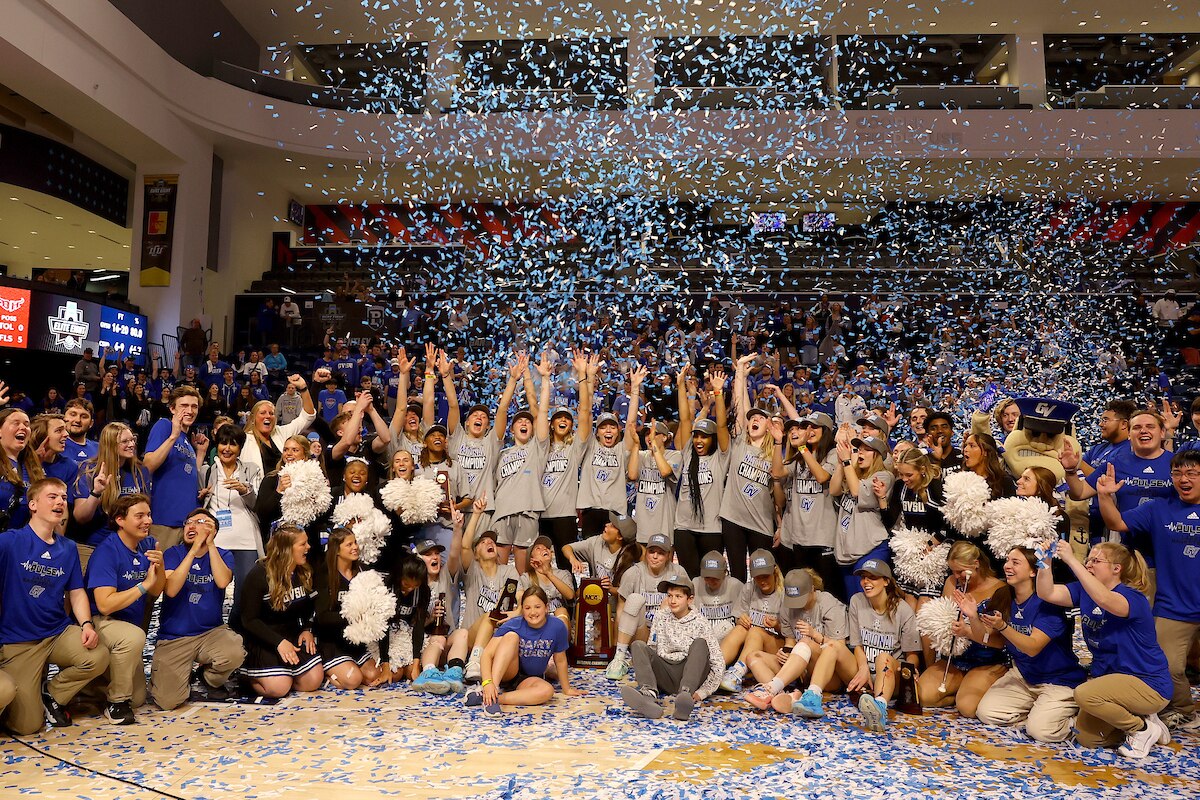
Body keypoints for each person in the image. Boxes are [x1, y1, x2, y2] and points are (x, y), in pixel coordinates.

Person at [1036, 540, 1172, 758]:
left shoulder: (1133, 597)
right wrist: (1046, 562)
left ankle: (1142, 729)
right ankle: (1144, 718)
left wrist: (1071, 559)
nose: (1089, 564)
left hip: (1147, 682)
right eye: (1087, 560)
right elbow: (1047, 593)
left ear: (1116, 568)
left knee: (1084, 694)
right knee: (1088, 738)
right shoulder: (1085, 591)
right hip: (1110, 681)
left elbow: (1105, 599)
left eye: (1096, 561)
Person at [1096, 452, 1200, 731]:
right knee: (1167, 665)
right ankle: (1183, 710)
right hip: (1174, 605)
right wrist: (1105, 497)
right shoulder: (1158, 508)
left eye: (1191, 473)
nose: (1183, 479)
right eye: (1177, 474)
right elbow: (1116, 523)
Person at [0, 478, 109, 734]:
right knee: (27, 726)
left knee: (97, 655)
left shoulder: (68, 548)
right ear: (33, 504)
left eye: (63, 497)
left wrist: (86, 625)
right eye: (52, 497)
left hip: (56, 632)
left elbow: (76, 591)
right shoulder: (9, 542)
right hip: (19, 642)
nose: (60, 501)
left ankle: (51, 693)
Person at [973, 547, 1085, 743]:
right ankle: (1040, 713)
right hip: (1024, 675)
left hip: (1058, 680)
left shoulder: (1048, 603)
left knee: (1041, 732)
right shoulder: (1004, 596)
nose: (1007, 566)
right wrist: (971, 617)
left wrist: (1003, 626)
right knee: (987, 713)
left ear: (1033, 571)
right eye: (1007, 560)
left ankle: (1077, 720)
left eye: (1015, 562)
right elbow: (993, 640)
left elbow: (1033, 647)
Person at [150, 509, 246, 709]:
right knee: (168, 702)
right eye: (188, 522)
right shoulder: (173, 553)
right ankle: (177, 676)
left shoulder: (223, 554)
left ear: (214, 531)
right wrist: (193, 551)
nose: (191, 526)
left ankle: (208, 677)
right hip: (175, 637)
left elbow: (222, 581)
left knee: (234, 652)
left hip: (211, 632)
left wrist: (209, 545)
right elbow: (172, 589)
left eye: (200, 522)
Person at [83, 494, 163, 724]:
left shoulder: (147, 544)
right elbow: (105, 604)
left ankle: (91, 686)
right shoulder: (107, 551)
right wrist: (143, 585)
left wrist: (160, 564)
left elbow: (157, 590)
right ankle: (116, 703)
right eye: (139, 516)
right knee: (134, 637)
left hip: (127, 626)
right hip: (100, 621)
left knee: (137, 698)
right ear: (120, 520)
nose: (147, 520)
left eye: (148, 514)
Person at [916, 542, 1010, 716]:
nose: (956, 576)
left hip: (986, 661)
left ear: (976, 564)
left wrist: (968, 630)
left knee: (967, 708)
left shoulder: (1000, 590)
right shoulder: (952, 582)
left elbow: (997, 641)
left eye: (960, 571)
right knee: (923, 696)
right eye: (952, 571)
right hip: (955, 659)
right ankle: (959, 688)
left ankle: (971, 689)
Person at [234, 525, 323, 698]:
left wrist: (307, 628)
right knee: (279, 688)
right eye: (303, 544)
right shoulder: (259, 575)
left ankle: (284, 674)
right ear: (286, 549)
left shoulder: (303, 571)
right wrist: (278, 642)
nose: (308, 547)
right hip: (264, 639)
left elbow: (312, 606)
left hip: (290, 634)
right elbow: (248, 620)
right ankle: (247, 677)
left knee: (313, 681)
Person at [745, 568, 849, 716]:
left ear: (812, 589)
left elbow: (839, 650)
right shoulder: (787, 605)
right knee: (753, 657)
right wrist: (786, 653)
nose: (796, 604)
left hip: (828, 673)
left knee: (806, 642)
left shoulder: (829, 604)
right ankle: (785, 696)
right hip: (800, 665)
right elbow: (790, 641)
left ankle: (773, 688)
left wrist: (815, 635)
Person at [619, 577, 724, 721]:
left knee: (700, 644)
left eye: (678, 596)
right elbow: (652, 648)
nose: (672, 600)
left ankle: (684, 697)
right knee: (638, 645)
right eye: (669, 596)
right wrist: (647, 674)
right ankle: (648, 696)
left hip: (688, 673)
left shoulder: (700, 622)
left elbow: (717, 661)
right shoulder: (660, 616)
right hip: (666, 671)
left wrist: (704, 691)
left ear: (690, 599)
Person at [464, 586, 582, 714]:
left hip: (527, 678)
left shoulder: (557, 627)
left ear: (546, 608)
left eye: (537, 607)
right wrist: (488, 683)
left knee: (547, 691)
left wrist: (567, 689)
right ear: (522, 610)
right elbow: (487, 654)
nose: (532, 612)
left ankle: (489, 698)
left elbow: (560, 660)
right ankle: (493, 691)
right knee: (512, 636)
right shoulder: (514, 624)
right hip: (507, 672)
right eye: (527, 608)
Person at [718, 355, 778, 582]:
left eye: (760, 419)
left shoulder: (775, 453)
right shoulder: (740, 442)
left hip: (761, 523)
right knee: (737, 575)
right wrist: (740, 374)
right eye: (752, 418)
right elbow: (740, 405)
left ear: (769, 426)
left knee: (763, 576)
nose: (754, 420)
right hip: (733, 519)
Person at [774, 412, 841, 601]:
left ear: (826, 431)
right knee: (802, 592)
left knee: (827, 593)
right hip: (800, 538)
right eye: (806, 427)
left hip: (823, 538)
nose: (809, 431)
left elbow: (821, 477)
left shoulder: (833, 454)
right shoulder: (800, 457)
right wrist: (779, 442)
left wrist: (803, 448)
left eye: (814, 427)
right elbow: (778, 472)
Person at [606, 532, 690, 680]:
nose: (655, 556)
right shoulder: (633, 573)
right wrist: (616, 648)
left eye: (661, 553)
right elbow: (620, 611)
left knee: (668, 606)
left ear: (668, 555)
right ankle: (620, 658)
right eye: (652, 552)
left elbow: (689, 608)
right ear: (646, 553)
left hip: (668, 633)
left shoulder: (678, 572)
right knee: (634, 599)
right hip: (641, 632)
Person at [69, 422, 153, 567]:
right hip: (92, 546)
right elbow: (80, 517)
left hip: (127, 548)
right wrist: (96, 493)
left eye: (132, 439)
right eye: (125, 441)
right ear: (110, 444)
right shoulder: (90, 470)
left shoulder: (139, 471)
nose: (131, 444)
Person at [673, 367, 731, 578]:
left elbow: (722, 425)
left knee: (710, 579)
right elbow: (685, 419)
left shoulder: (720, 458)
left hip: (711, 529)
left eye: (704, 437)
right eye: (697, 436)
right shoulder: (688, 454)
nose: (698, 440)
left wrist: (718, 394)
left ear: (712, 439)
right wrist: (680, 386)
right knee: (689, 577)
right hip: (684, 528)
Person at [200, 425, 263, 612]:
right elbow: (199, 506)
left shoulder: (252, 470)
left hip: (247, 541)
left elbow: (258, 505)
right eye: (223, 443)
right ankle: (213, 633)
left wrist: (245, 490)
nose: (227, 448)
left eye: (233, 444)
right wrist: (201, 495)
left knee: (245, 593)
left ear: (240, 448)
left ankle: (239, 633)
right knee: (212, 591)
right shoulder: (207, 472)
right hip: (217, 541)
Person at [538, 352, 593, 568]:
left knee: (565, 566)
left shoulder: (574, 448)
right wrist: (545, 379)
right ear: (552, 424)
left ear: (571, 425)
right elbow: (540, 411)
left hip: (565, 516)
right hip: (540, 514)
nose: (563, 420)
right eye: (559, 418)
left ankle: (568, 602)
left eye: (567, 419)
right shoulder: (541, 446)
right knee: (540, 567)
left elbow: (585, 411)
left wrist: (582, 375)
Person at [314, 528, 384, 689]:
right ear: (336, 550)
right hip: (332, 641)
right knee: (353, 680)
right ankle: (327, 674)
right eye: (349, 544)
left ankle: (347, 667)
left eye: (356, 542)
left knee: (373, 676)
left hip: (356, 642)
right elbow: (322, 617)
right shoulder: (324, 575)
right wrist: (354, 616)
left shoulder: (363, 572)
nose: (355, 547)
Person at [143, 386, 209, 550]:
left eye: (194, 406)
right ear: (172, 408)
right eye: (184, 406)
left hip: (187, 523)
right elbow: (148, 465)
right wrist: (173, 436)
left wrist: (200, 453)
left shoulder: (186, 440)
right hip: (164, 521)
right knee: (160, 573)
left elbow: (188, 474)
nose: (190, 410)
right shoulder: (164, 426)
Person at [831, 432, 893, 598]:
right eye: (859, 449)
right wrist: (840, 463)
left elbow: (857, 491)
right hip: (848, 551)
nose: (861, 453)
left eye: (867, 450)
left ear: (878, 455)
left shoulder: (884, 476)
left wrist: (846, 462)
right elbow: (834, 490)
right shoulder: (852, 472)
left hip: (871, 548)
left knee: (869, 601)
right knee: (854, 603)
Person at [717, 549, 786, 691]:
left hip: (778, 649)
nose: (762, 581)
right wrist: (740, 620)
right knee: (740, 628)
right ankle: (715, 668)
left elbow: (791, 637)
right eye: (757, 577)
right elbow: (738, 618)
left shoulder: (784, 593)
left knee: (755, 631)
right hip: (752, 644)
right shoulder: (749, 588)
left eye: (765, 576)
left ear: (774, 571)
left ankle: (737, 673)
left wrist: (777, 626)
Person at [240, 373, 319, 476]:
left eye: (271, 413)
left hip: (285, 488)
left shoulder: (282, 432)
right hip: (257, 490)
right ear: (253, 418)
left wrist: (303, 388)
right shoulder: (244, 439)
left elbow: (308, 416)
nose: (267, 416)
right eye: (263, 413)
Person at [0, 408, 44, 532]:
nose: (23, 427)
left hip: (18, 543)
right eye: (16, 423)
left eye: (26, 424)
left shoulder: (32, 468)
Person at [692, 550, 742, 639]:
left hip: (727, 636)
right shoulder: (695, 583)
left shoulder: (736, 585)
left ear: (724, 573)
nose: (711, 582)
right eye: (707, 577)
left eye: (715, 578)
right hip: (701, 634)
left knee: (727, 626)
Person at [63, 399, 98, 465]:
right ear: (63, 418)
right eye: (73, 415)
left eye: (84, 417)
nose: (78, 420)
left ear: (91, 423)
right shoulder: (54, 448)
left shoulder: (99, 449)